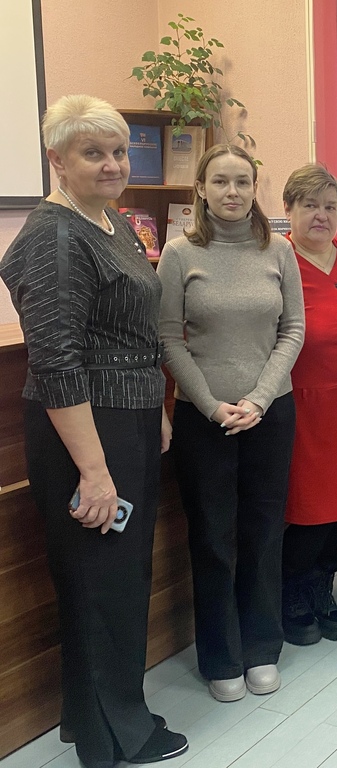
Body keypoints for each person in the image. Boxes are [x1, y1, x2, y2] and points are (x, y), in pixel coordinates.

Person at [0, 95, 187, 768]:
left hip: (125, 418)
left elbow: (131, 333)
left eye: (118, 152)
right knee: (102, 584)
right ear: (57, 160)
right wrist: (96, 471)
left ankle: (96, 721)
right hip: (84, 432)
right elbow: (56, 365)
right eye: (93, 153)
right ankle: (117, 737)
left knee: (118, 578)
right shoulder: (52, 239)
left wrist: (155, 408)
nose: (112, 165)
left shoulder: (111, 222)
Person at [157, 144, 305, 703]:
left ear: (254, 188)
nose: (232, 192)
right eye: (220, 181)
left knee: (264, 533)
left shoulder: (279, 251)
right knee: (213, 537)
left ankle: (262, 647)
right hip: (204, 418)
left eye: (242, 181)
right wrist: (210, 403)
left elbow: (293, 330)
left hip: (270, 412)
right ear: (201, 188)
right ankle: (220, 655)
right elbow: (168, 337)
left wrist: (260, 399)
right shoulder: (179, 253)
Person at [279, 164, 337, 645]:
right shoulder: (276, 258)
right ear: (289, 209)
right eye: (310, 205)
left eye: (330, 206)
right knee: (303, 505)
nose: (321, 215)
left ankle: (323, 590)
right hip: (298, 404)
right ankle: (291, 594)